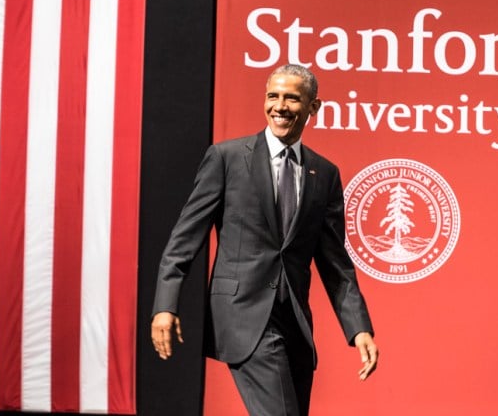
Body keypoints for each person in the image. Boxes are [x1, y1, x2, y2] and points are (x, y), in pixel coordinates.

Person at [151, 64, 378, 415]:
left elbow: (336, 264)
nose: (280, 106)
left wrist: (358, 328)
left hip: (296, 326)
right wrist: (166, 305)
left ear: (313, 107)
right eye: (273, 96)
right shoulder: (226, 158)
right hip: (244, 316)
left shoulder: (325, 173)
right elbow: (185, 238)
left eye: (291, 98)